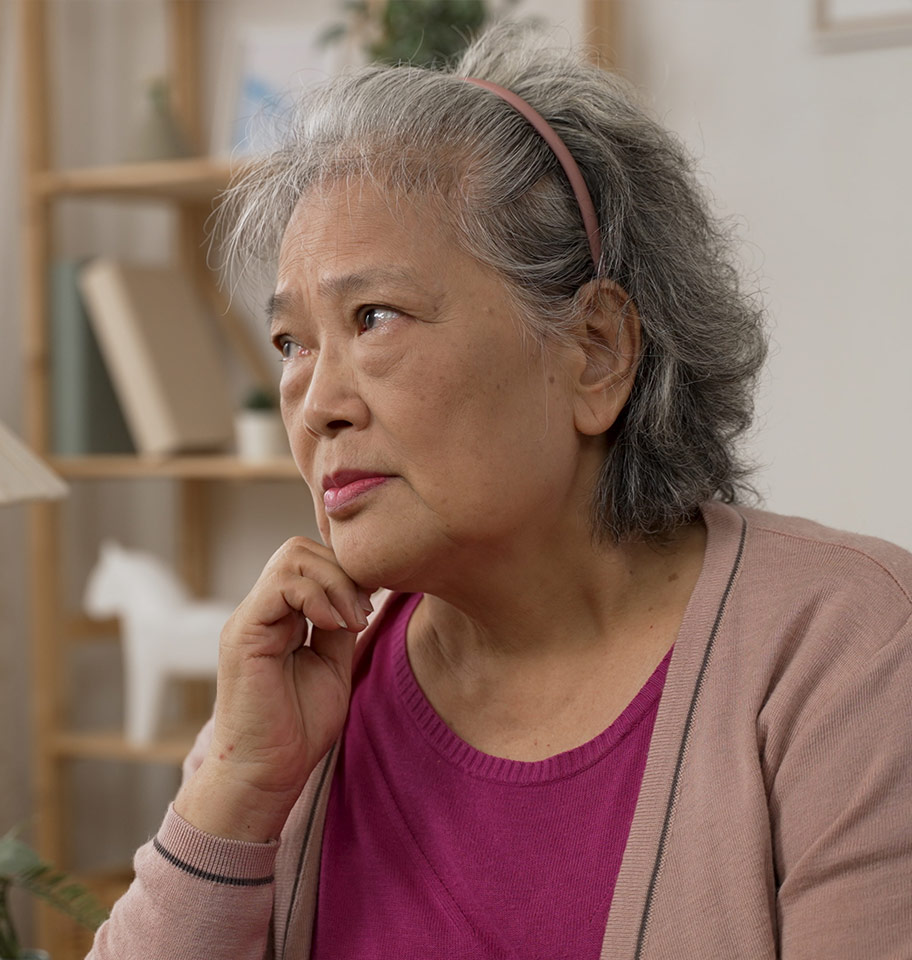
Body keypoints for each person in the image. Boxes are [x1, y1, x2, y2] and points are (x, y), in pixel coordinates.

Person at [87, 21, 912, 960]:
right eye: (291, 344)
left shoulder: (853, 650)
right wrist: (233, 788)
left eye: (375, 317)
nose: (315, 406)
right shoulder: (294, 690)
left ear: (595, 352)